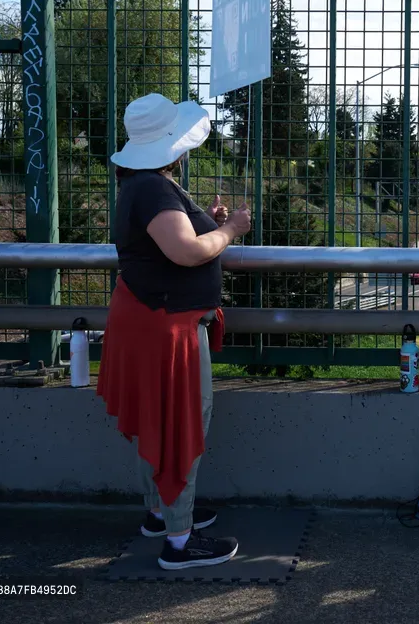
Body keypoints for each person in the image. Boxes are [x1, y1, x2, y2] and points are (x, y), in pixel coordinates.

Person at [97, 93, 252, 570]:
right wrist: (231, 231)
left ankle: (160, 513)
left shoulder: (141, 186)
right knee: (181, 425)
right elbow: (185, 252)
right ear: (172, 145)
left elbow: (173, 236)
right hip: (167, 328)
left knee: (156, 421)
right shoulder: (155, 189)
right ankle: (179, 542)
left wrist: (209, 220)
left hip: (147, 319)